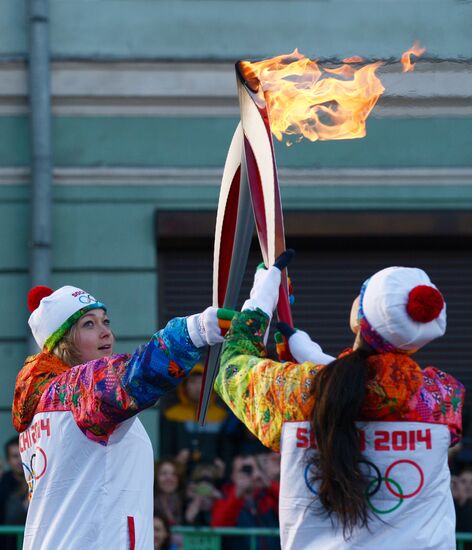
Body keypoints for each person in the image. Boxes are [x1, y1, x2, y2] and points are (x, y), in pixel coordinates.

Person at [215, 252, 465, 549]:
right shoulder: (441, 397)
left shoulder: (300, 392)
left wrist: (261, 300)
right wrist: (317, 359)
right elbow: (379, 395)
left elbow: (231, 369)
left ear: (360, 318)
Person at [12, 284, 229, 550]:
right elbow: (138, 375)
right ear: (64, 343)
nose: (106, 332)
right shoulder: (77, 392)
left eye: (106, 321)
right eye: (88, 325)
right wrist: (196, 330)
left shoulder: (40, 409)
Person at [160, 363, 228, 468]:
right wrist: (175, 462)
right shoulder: (172, 415)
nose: (198, 387)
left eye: (203, 382)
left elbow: (227, 448)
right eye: (193, 382)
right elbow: (165, 451)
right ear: (184, 386)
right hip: (182, 473)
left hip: (212, 472)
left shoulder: (221, 415)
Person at [211, 454, 280, 550]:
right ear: (233, 476)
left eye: (251, 469)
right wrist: (237, 495)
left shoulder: (267, 495)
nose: (247, 474)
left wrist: (267, 483)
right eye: (242, 470)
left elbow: (291, 507)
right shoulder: (224, 498)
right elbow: (218, 527)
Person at [0, 437, 29, 550]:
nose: (20, 460)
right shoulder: (3, 481)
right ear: (8, 460)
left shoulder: (38, 480)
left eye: (22, 454)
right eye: (15, 456)